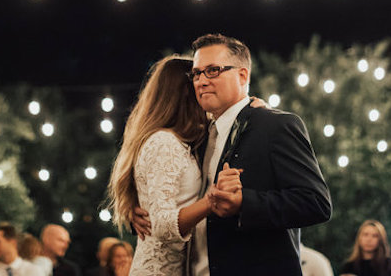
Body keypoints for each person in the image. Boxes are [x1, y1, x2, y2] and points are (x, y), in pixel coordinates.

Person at [134, 34, 332, 275]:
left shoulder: (276, 126)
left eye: (213, 70)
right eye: (197, 73)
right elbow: (172, 192)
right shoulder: (198, 137)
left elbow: (316, 203)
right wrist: (137, 209)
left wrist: (244, 203)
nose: (201, 81)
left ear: (243, 75)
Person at [108, 55, 215, 275]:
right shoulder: (164, 143)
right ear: (186, 94)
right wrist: (209, 202)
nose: (203, 89)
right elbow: (161, 224)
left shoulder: (179, 142)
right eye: (197, 82)